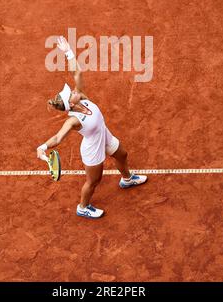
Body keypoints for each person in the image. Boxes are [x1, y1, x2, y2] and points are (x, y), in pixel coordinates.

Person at [37, 36, 147, 219]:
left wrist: (68, 52)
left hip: (103, 135)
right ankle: (83, 206)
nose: (73, 91)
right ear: (69, 105)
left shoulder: (81, 96)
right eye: (70, 94)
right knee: (94, 181)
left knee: (122, 154)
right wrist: (43, 147)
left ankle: (127, 179)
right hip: (92, 149)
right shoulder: (73, 120)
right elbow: (57, 138)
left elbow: (77, 73)